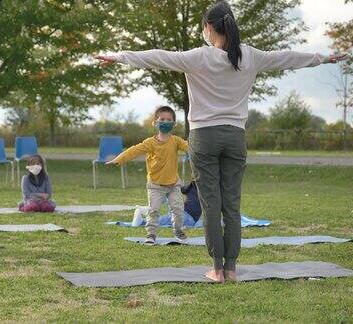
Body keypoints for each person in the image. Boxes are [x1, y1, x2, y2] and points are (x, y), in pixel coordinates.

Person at [96, 1, 347, 282]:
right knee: (232, 204)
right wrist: (322, 58)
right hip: (235, 137)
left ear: (208, 27)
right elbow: (286, 58)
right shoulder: (249, 56)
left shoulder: (198, 57)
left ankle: (217, 269)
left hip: (204, 137)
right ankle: (231, 268)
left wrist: (119, 57)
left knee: (211, 204)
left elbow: (157, 56)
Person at [108, 105, 189, 244]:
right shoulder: (150, 143)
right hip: (155, 185)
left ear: (174, 124)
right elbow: (133, 150)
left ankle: (178, 229)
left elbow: (190, 148)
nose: (165, 122)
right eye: (162, 119)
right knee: (154, 210)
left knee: (178, 209)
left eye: (169, 119)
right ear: (155, 123)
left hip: (173, 184)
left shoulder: (176, 141)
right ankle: (151, 234)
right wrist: (119, 159)